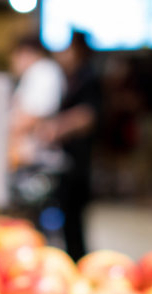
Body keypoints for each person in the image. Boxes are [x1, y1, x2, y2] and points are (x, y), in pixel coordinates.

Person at [39, 32, 101, 261]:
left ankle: (78, 261)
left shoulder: (88, 78)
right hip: (69, 158)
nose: (61, 54)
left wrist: (55, 129)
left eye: (67, 49)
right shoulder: (71, 76)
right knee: (67, 217)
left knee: (75, 217)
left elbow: (87, 116)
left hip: (79, 160)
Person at [8, 35, 65, 168]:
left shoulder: (43, 72)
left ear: (25, 53)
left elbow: (32, 117)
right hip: (28, 152)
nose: (13, 63)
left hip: (37, 154)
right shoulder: (35, 73)